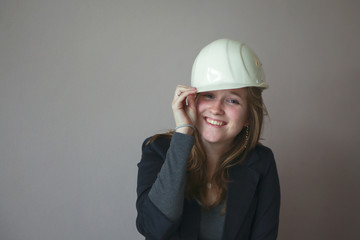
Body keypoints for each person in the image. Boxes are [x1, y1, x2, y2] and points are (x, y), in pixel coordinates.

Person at [136, 39, 280, 240]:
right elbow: (153, 228)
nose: (216, 109)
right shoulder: (157, 149)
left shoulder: (261, 162)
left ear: (248, 115)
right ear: (192, 100)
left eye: (232, 100)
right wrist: (184, 133)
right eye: (209, 95)